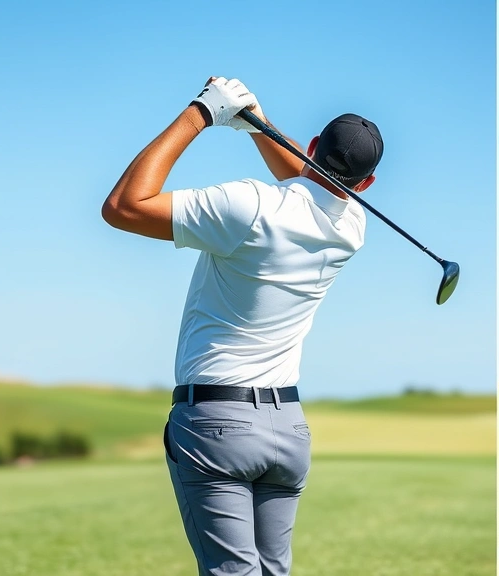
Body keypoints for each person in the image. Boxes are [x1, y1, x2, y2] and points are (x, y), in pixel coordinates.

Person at [101, 77, 384, 575]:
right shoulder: (352, 226)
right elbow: (309, 179)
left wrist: (202, 113)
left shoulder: (250, 205)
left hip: (216, 423)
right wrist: (258, 124)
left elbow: (124, 207)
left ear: (314, 145)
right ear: (367, 184)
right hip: (288, 428)